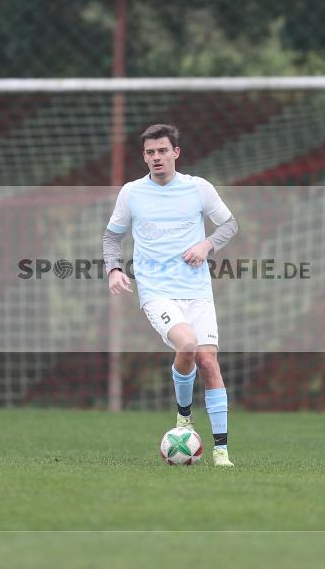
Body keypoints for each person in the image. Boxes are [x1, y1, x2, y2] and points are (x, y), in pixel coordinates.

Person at [102, 124, 239, 467]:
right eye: (150, 152)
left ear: (176, 153)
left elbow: (229, 225)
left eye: (162, 151)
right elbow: (111, 238)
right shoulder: (132, 193)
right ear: (144, 157)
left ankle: (221, 451)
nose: (156, 157)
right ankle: (183, 418)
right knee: (188, 345)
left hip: (197, 290)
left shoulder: (198, 189)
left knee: (208, 363)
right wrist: (114, 269)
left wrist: (206, 244)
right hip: (157, 291)